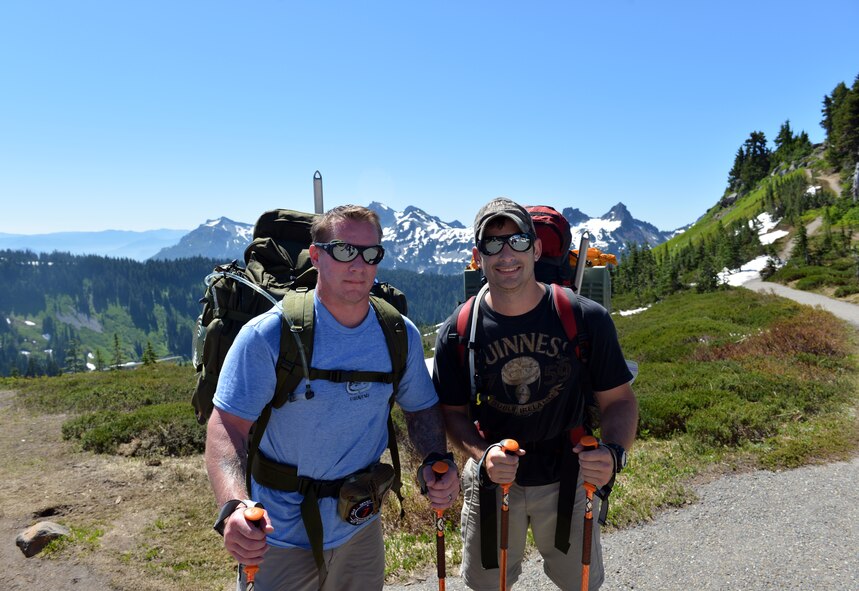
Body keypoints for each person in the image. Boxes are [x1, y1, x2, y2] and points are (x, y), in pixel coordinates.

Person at [205, 204, 460, 591]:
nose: (358, 264)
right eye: (344, 250)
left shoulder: (398, 333)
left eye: (370, 253)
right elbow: (225, 426)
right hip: (277, 537)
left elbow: (421, 407)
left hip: (360, 526)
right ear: (317, 255)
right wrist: (235, 505)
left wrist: (434, 459)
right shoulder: (269, 335)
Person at [433, 197, 638, 590]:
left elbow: (620, 401)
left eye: (518, 241)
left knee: (579, 584)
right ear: (478, 257)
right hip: (492, 478)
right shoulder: (458, 330)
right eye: (493, 244)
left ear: (537, 248)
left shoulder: (585, 318)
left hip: (569, 476)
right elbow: (452, 413)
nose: (506, 254)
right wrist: (482, 453)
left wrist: (613, 453)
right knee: (488, 584)